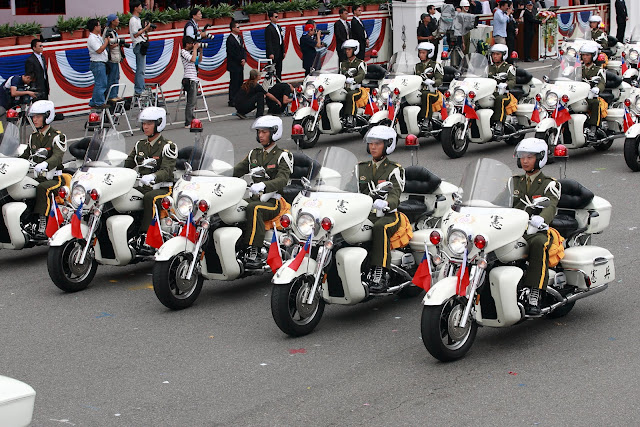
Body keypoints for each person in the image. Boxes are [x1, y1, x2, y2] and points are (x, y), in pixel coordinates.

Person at [232, 115, 293, 268]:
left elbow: (282, 179)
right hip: (255, 198)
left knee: (254, 208)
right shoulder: (254, 154)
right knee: (234, 206)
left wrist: (264, 185)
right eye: (259, 132)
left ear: (274, 133)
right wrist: (215, 175)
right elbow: (236, 171)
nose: (260, 135)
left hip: (273, 202)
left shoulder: (283, 155)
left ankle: (255, 250)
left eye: (264, 132)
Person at [512, 138, 560, 315]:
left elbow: (551, 205)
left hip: (536, 229)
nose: (525, 161)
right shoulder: (514, 181)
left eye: (530, 157)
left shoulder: (550, 184)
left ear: (540, 158)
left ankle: (535, 291)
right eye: (522, 156)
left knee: (539, 243)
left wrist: (542, 219)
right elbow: (498, 200)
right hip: (512, 228)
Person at [358, 126, 405, 293]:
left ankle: (381, 271)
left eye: (377, 143)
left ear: (388, 145)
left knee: (380, 227)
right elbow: (350, 189)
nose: (373, 147)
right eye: (371, 143)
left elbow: (395, 193)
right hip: (365, 213)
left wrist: (386, 204)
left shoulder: (394, 169)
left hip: (388, 215)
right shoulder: (361, 167)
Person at [124, 107, 176, 239]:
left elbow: (167, 170)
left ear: (159, 124)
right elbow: (127, 165)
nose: (145, 127)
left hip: (163, 188)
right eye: (144, 123)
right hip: (143, 187)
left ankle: (146, 235)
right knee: (123, 195)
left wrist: (153, 176)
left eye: (149, 123)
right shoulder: (139, 145)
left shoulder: (168, 146)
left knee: (150, 198)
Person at [20, 100, 67, 239]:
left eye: (38, 116)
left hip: (54, 178)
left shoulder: (57, 136)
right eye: (33, 116)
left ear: (47, 116)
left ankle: (43, 223)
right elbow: (25, 156)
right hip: (37, 177)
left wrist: (46, 164)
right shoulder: (33, 137)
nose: (34, 119)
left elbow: (58, 157)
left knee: (42, 188)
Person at [580, 42, 606, 141]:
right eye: (583, 55)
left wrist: (597, 88)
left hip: (591, 95)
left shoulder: (598, 70)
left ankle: (593, 128)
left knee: (595, 102)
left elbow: (602, 82)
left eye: (587, 55)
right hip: (578, 95)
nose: (585, 57)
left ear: (593, 56)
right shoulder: (578, 68)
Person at [488, 43, 516, 134]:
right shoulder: (488, 68)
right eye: (493, 54)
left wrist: (505, 84)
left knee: (500, 99)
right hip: (490, 92)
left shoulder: (509, 67)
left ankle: (499, 123)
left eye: (497, 54)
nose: (495, 56)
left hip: (504, 93)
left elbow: (512, 81)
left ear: (504, 55)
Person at [415, 42, 444, 131]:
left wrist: (433, 82)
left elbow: (440, 80)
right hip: (419, 91)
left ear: (429, 53)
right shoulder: (417, 66)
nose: (421, 55)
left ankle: (426, 119)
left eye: (423, 53)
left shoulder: (435, 65)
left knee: (426, 95)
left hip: (432, 92)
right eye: (420, 52)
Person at [340, 39, 367, 128]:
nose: (347, 51)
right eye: (346, 49)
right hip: (344, 88)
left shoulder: (360, 63)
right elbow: (339, 75)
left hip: (356, 89)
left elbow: (362, 75)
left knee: (350, 95)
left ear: (355, 50)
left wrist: (353, 79)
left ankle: (350, 117)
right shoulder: (343, 63)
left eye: (349, 49)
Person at [129, 0, 152, 96]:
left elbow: (140, 33)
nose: (141, 8)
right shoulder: (133, 20)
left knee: (142, 69)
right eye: (140, 6)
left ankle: (141, 87)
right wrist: (145, 28)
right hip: (138, 45)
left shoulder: (138, 19)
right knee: (140, 69)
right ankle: (139, 89)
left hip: (141, 44)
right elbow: (135, 34)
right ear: (135, 8)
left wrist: (146, 29)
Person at [87, 19, 109, 109]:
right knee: (101, 83)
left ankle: (94, 101)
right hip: (97, 63)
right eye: (99, 25)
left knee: (100, 82)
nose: (100, 27)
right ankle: (99, 102)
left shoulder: (98, 37)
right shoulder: (92, 39)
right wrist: (106, 42)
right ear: (95, 27)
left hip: (101, 62)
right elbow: (99, 50)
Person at [180, 36, 202, 128]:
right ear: (187, 44)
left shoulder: (190, 53)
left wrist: (201, 51)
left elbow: (198, 61)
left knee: (193, 102)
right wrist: (195, 49)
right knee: (190, 102)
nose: (192, 45)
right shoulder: (183, 52)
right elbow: (192, 59)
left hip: (194, 78)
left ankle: (191, 120)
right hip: (189, 79)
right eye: (191, 44)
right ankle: (188, 122)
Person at [226, 20, 245, 108]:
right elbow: (231, 53)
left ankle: (239, 98)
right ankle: (232, 99)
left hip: (240, 64)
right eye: (237, 27)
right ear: (233, 28)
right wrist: (240, 59)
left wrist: (244, 59)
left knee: (240, 81)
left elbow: (242, 50)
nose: (239, 28)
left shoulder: (240, 38)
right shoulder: (230, 39)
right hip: (234, 64)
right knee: (234, 82)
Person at [103, 14, 122, 100]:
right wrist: (116, 45)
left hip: (115, 57)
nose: (118, 21)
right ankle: (111, 96)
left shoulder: (112, 31)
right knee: (112, 77)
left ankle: (115, 94)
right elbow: (106, 45)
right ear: (112, 21)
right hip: (111, 58)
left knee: (116, 77)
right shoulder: (108, 32)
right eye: (117, 19)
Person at [265, 11, 285, 79]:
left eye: (277, 16)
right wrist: (271, 53)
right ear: (271, 18)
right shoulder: (269, 28)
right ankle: (270, 84)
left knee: (279, 70)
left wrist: (283, 51)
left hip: (279, 51)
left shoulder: (279, 27)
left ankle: (278, 83)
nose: (277, 18)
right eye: (275, 17)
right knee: (271, 71)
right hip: (273, 52)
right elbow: (268, 42)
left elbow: (281, 40)